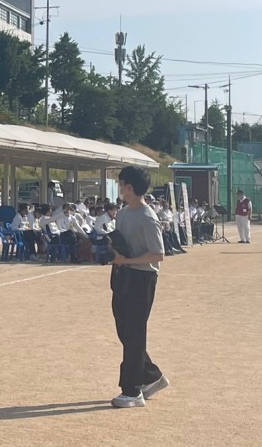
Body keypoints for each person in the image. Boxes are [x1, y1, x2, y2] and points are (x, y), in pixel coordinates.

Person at [108, 165, 168, 408]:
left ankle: (132, 390)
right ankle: (152, 376)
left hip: (142, 278)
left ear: (129, 187)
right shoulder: (123, 214)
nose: (120, 187)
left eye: (121, 184)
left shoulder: (147, 217)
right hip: (122, 275)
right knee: (125, 331)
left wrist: (127, 261)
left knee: (135, 332)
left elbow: (158, 254)